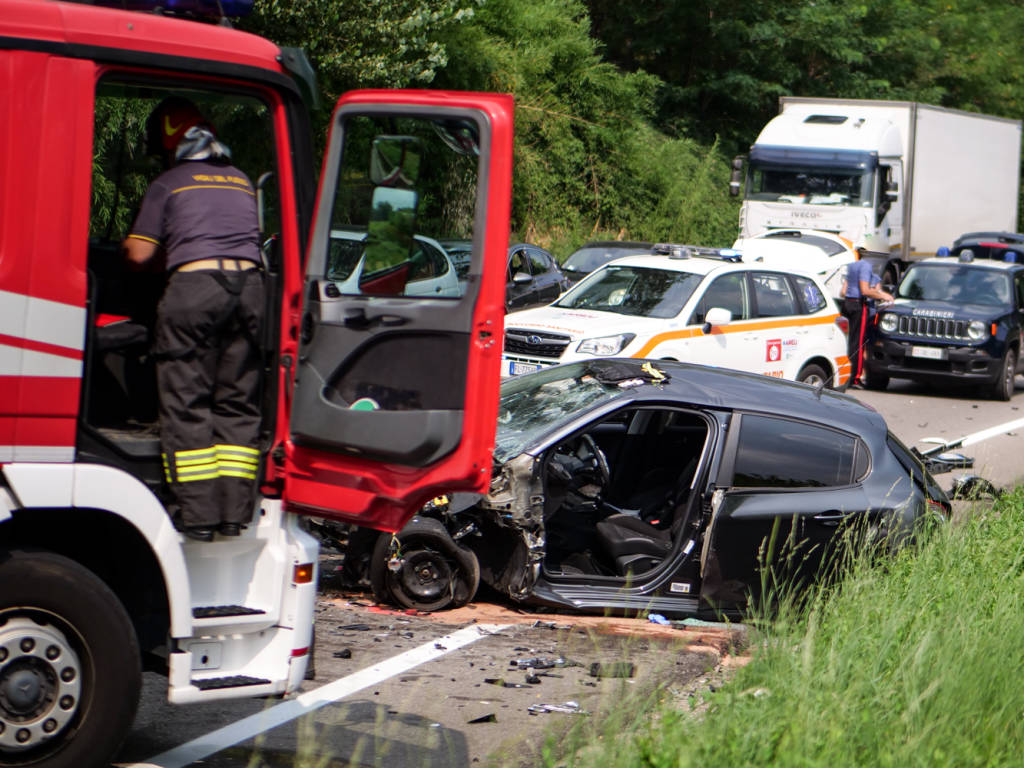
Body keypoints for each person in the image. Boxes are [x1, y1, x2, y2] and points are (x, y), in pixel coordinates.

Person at [122, 97, 264, 542]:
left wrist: (173, 250)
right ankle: (233, 514)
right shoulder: (241, 181)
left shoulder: (170, 182)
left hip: (195, 293)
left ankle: (199, 517)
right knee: (237, 404)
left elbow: (139, 253)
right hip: (251, 292)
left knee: (188, 401)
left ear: (170, 146)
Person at [841, 244, 894, 387]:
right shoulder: (865, 267)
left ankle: (845, 374)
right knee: (858, 343)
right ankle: (856, 378)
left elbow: (843, 291)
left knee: (850, 341)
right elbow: (865, 290)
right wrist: (884, 295)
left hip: (847, 304)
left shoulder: (851, 266)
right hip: (859, 305)